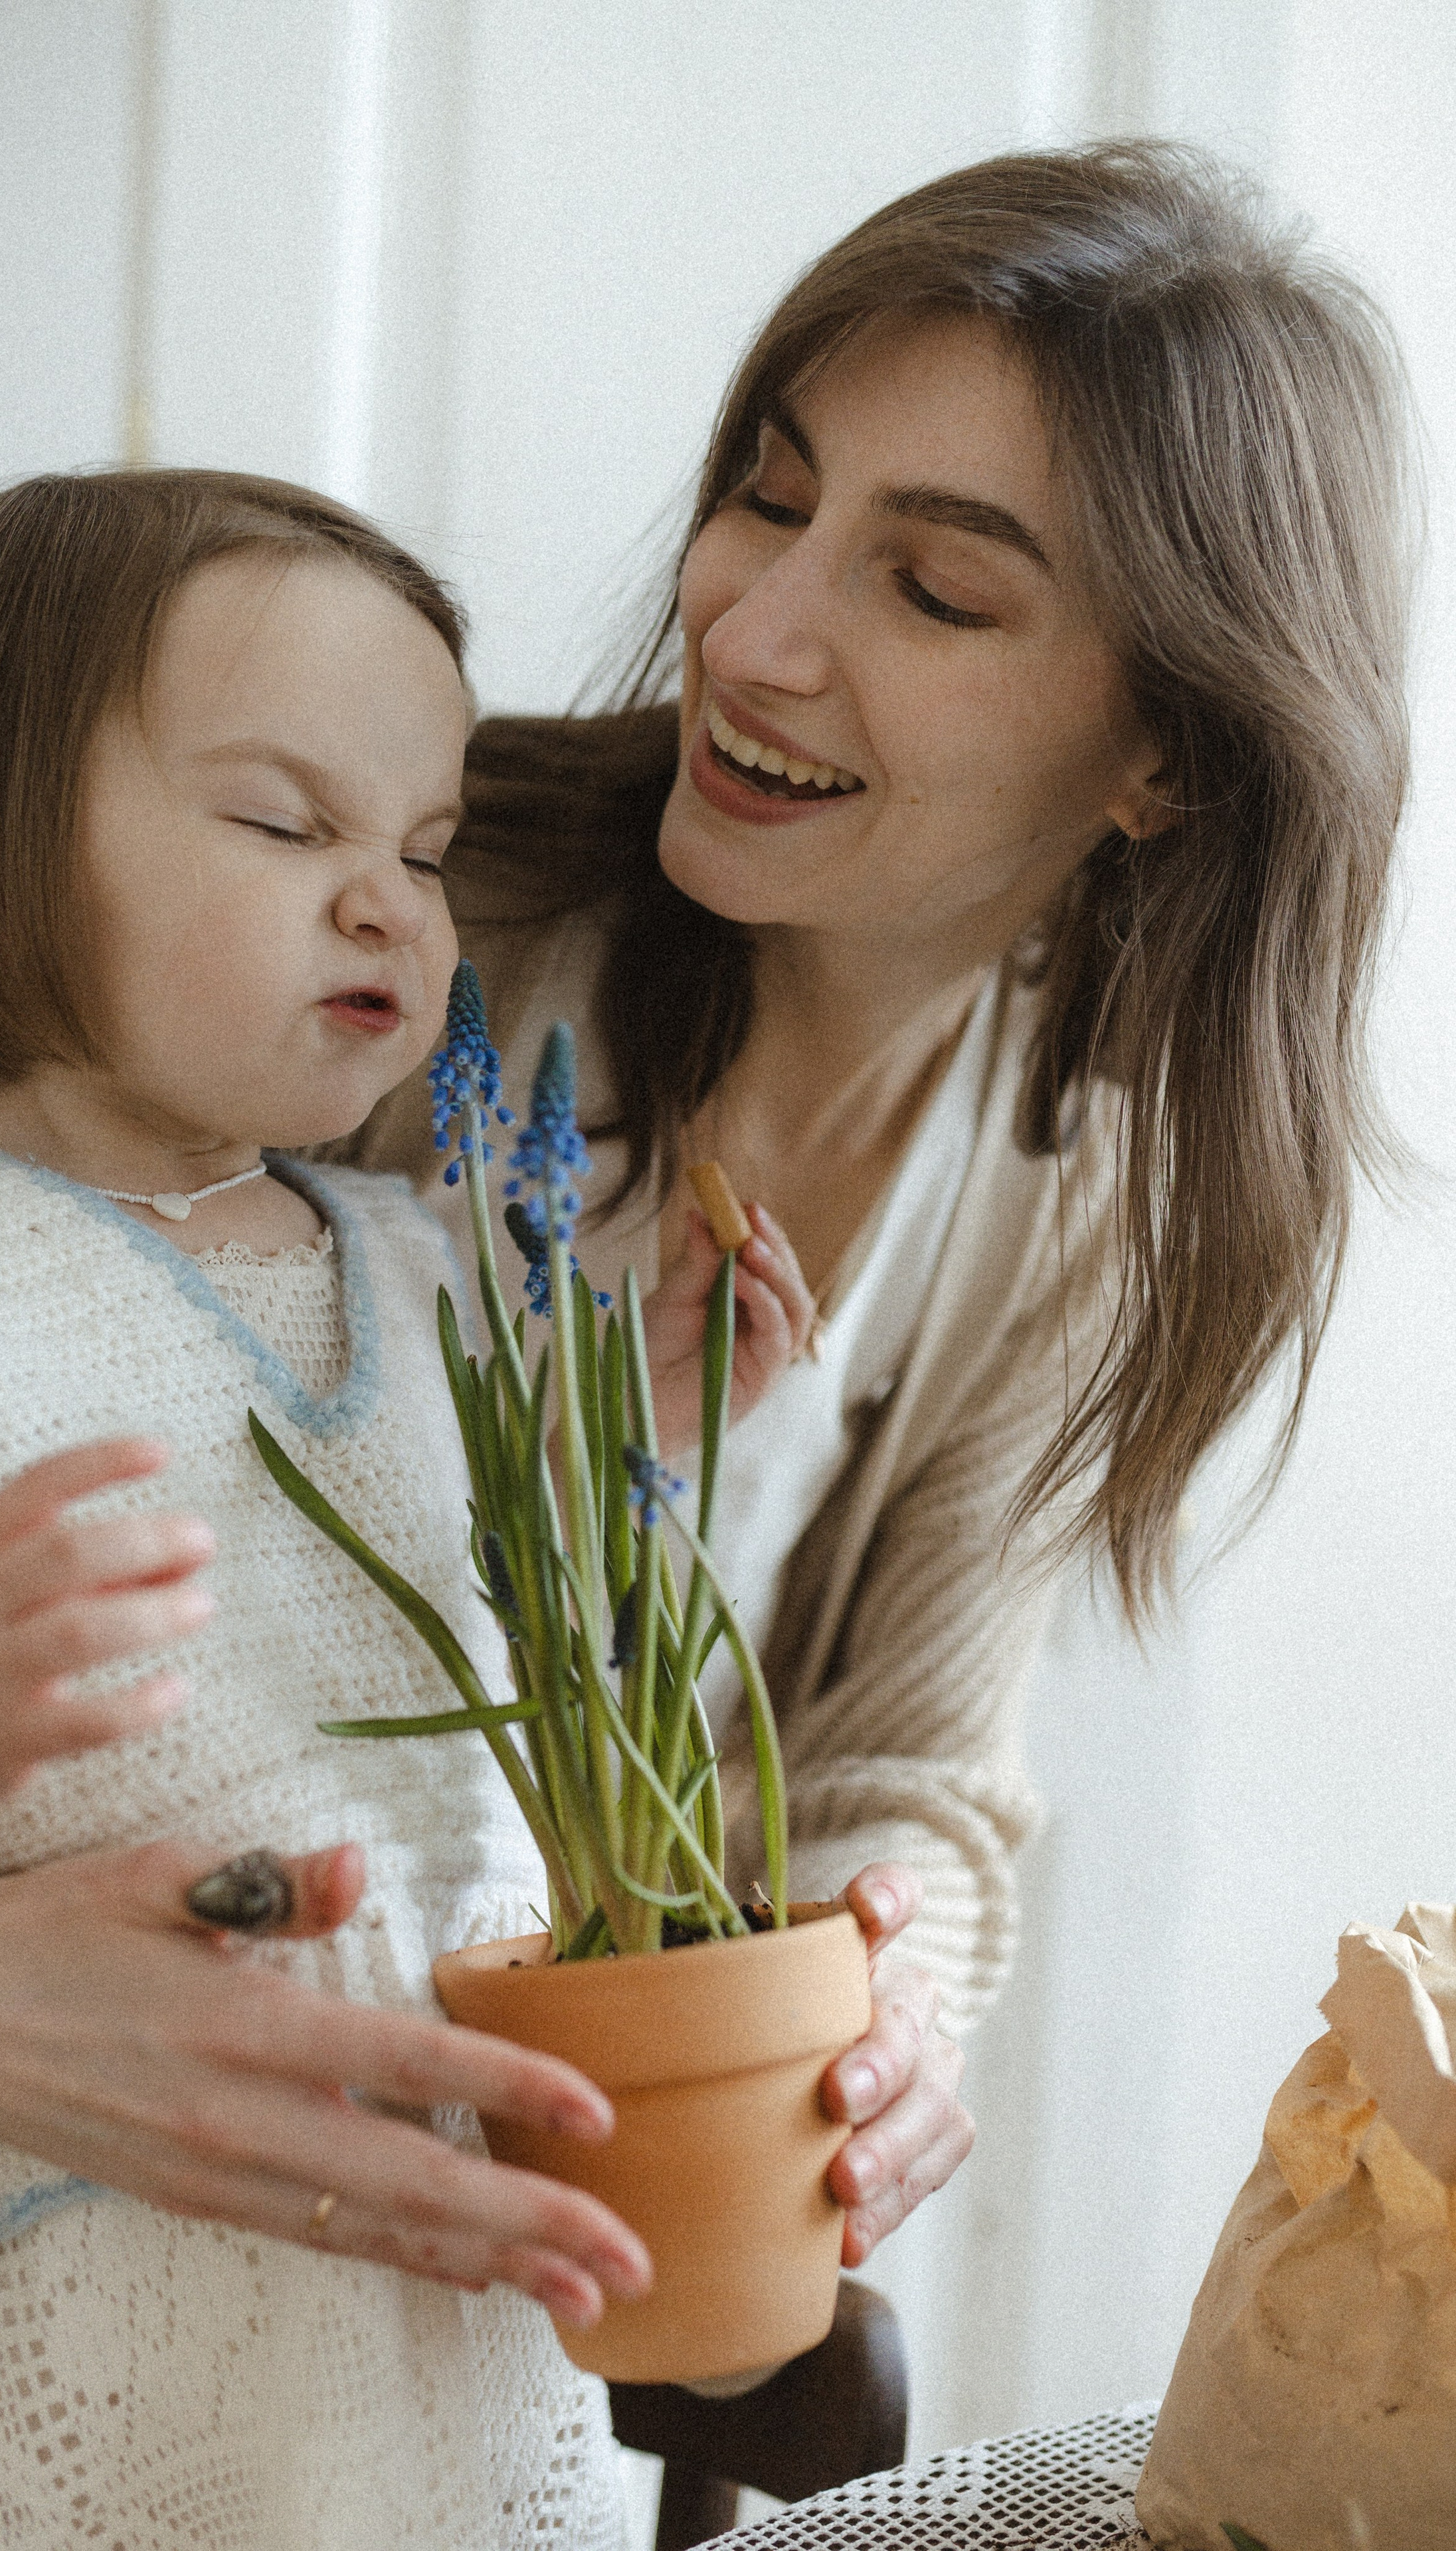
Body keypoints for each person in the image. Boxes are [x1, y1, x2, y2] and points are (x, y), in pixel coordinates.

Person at [0, 468, 823, 2548]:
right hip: (106, 2322)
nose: (392, 908)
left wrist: (659, 1433)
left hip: (464, 2324)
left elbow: (533, 1678)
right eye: (283, 824)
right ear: (8, 834)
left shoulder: (434, 1270)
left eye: (422, 850)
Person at [344, 140, 1411, 2117]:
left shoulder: (1076, 1201)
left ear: (1165, 760)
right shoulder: (402, 921)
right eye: (772, 495)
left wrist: (878, 2007)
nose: (748, 634)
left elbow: (908, 1769)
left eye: (933, 590)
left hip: (578, 2168)